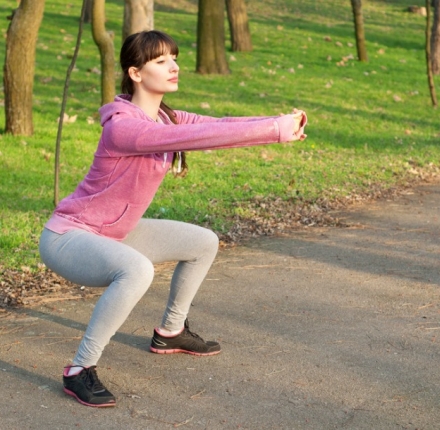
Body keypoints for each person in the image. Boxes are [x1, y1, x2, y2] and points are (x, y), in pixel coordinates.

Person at [39, 30, 307, 408]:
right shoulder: (124, 127)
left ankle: (170, 331)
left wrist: (279, 123)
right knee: (137, 270)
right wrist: (275, 130)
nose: (174, 66)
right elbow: (200, 138)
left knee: (203, 242)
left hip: (114, 232)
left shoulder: (167, 118)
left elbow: (218, 126)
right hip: (69, 238)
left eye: (175, 58)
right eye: (161, 60)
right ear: (135, 73)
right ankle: (79, 370)